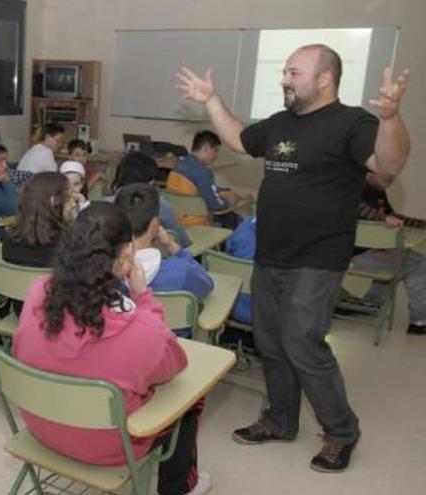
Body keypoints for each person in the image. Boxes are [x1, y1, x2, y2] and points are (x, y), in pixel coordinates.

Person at [177, 43, 411, 472]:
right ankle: (281, 420)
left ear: (325, 79)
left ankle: (342, 431)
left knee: (303, 342)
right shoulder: (281, 123)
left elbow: (388, 164)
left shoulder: (352, 123)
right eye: (284, 71)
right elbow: (239, 138)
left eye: (294, 72)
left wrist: (392, 118)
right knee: (270, 342)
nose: (284, 79)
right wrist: (211, 99)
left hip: (318, 257)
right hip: (272, 254)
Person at [13, 203, 210, 495]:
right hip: (109, 448)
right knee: (192, 394)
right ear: (128, 255)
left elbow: (20, 350)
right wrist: (143, 297)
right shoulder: (140, 329)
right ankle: (179, 488)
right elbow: (174, 364)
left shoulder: (38, 290)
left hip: (41, 424)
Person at [115, 184, 214, 337]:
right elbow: (207, 284)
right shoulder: (182, 271)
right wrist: (172, 246)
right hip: (173, 344)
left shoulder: (101, 270)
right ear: (155, 224)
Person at [352, 173, 426, 335]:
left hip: (374, 249)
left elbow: (392, 216)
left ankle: (372, 304)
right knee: (420, 265)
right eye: (387, 176)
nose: (390, 180)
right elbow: (359, 208)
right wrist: (384, 218)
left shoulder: (377, 190)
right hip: (356, 255)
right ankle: (420, 322)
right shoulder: (353, 188)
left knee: (407, 259)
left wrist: (420, 223)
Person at [109, 149, 191, 248]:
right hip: (157, 259)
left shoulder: (104, 206)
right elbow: (183, 240)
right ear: (150, 182)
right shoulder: (160, 205)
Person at [169, 131, 249, 229]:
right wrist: (230, 201)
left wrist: (222, 191)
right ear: (206, 148)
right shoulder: (202, 171)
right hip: (196, 223)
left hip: (176, 221)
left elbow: (199, 188)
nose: (216, 155)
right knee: (237, 219)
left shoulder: (178, 166)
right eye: (215, 150)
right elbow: (216, 206)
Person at [3, 172, 75, 268]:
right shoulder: (68, 246)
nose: (73, 204)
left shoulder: (9, 241)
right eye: (69, 197)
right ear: (54, 203)